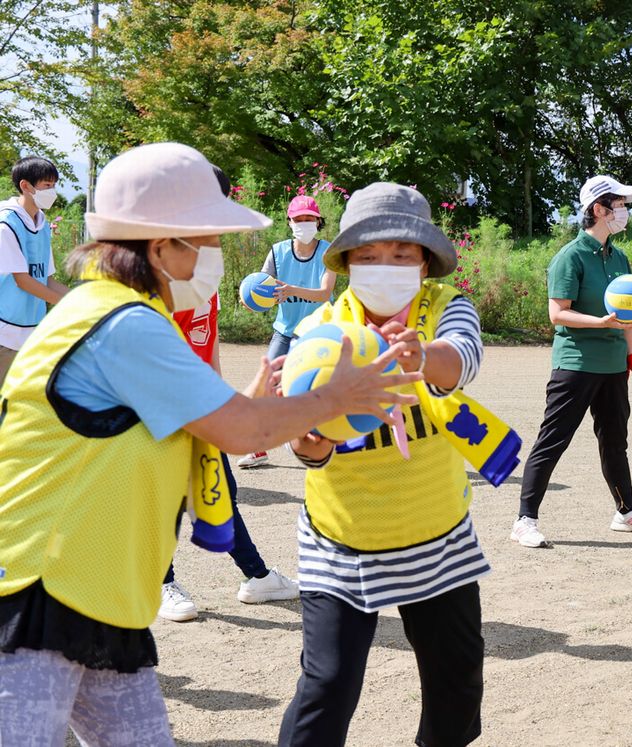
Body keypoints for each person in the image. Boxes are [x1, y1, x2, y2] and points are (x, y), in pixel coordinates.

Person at [0, 142, 414, 744]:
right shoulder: (126, 323)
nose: (218, 256)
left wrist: (254, 399)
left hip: (95, 594)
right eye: (211, 240)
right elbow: (243, 433)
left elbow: (207, 426)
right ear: (163, 246)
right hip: (35, 598)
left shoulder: (115, 310)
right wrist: (337, 397)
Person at [279, 183, 489, 747]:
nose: (386, 265)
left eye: (402, 254)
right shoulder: (319, 330)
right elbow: (306, 450)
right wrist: (314, 437)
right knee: (327, 684)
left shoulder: (447, 309)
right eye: (368, 256)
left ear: (425, 261)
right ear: (347, 263)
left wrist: (422, 356)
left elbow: (462, 360)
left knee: (457, 678)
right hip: (343, 537)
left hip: (436, 531)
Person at [161, 165, 299, 622]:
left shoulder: (205, 272)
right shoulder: (157, 274)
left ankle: (257, 577)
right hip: (165, 406)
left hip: (201, 401)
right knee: (166, 496)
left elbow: (208, 340)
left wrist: (220, 397)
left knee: (219, 489)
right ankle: (162, 584)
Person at [511, 175, 632, 548]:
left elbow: (626, 317)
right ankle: (524, 520)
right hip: (576, 364)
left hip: (613, 366)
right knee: (553, 440)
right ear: (598, 209)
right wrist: (600, 322)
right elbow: (557, 314)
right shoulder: (570, 256)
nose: (624, 212)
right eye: (620, 204)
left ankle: (626, 511)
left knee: (615, 441)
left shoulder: (619, 256)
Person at [238, 194, 335, 468]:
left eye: (309, 219)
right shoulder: (278, 252)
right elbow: (260, 286)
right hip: (285, 330)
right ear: (290, 222)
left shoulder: (328, 252)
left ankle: (326, 444)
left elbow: (325, 293)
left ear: (318, 221)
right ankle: (259, 448)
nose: (304, 223)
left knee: (316, 389)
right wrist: (250, 300)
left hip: (317, 332)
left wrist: (291, 290)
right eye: (299, 219)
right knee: (266, 386)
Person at [0, 156, 69, 386]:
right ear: (26, 186)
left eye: (53, 185)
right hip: (5, 334)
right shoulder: (6, 224)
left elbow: (46, 280)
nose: (53, 191)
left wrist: (83, 299)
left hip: (30, 333)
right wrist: (71, 307)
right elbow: (24, 281)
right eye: (46, 185)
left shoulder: (42, 224)